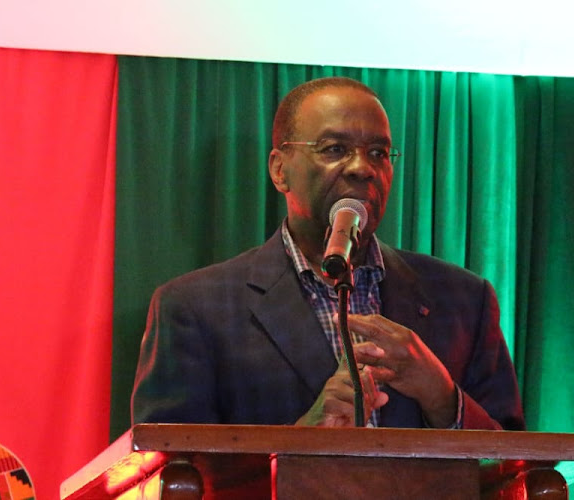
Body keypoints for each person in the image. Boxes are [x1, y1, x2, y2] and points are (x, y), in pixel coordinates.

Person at [131, 77, 524, 431]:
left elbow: (515, 471)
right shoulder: (195, 308)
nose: (362, 168)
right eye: (335, 148)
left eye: (378, 153)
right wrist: (303, 439)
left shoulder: (465, 300)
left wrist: (441, 396)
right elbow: (176, 477)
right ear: (280, 169)